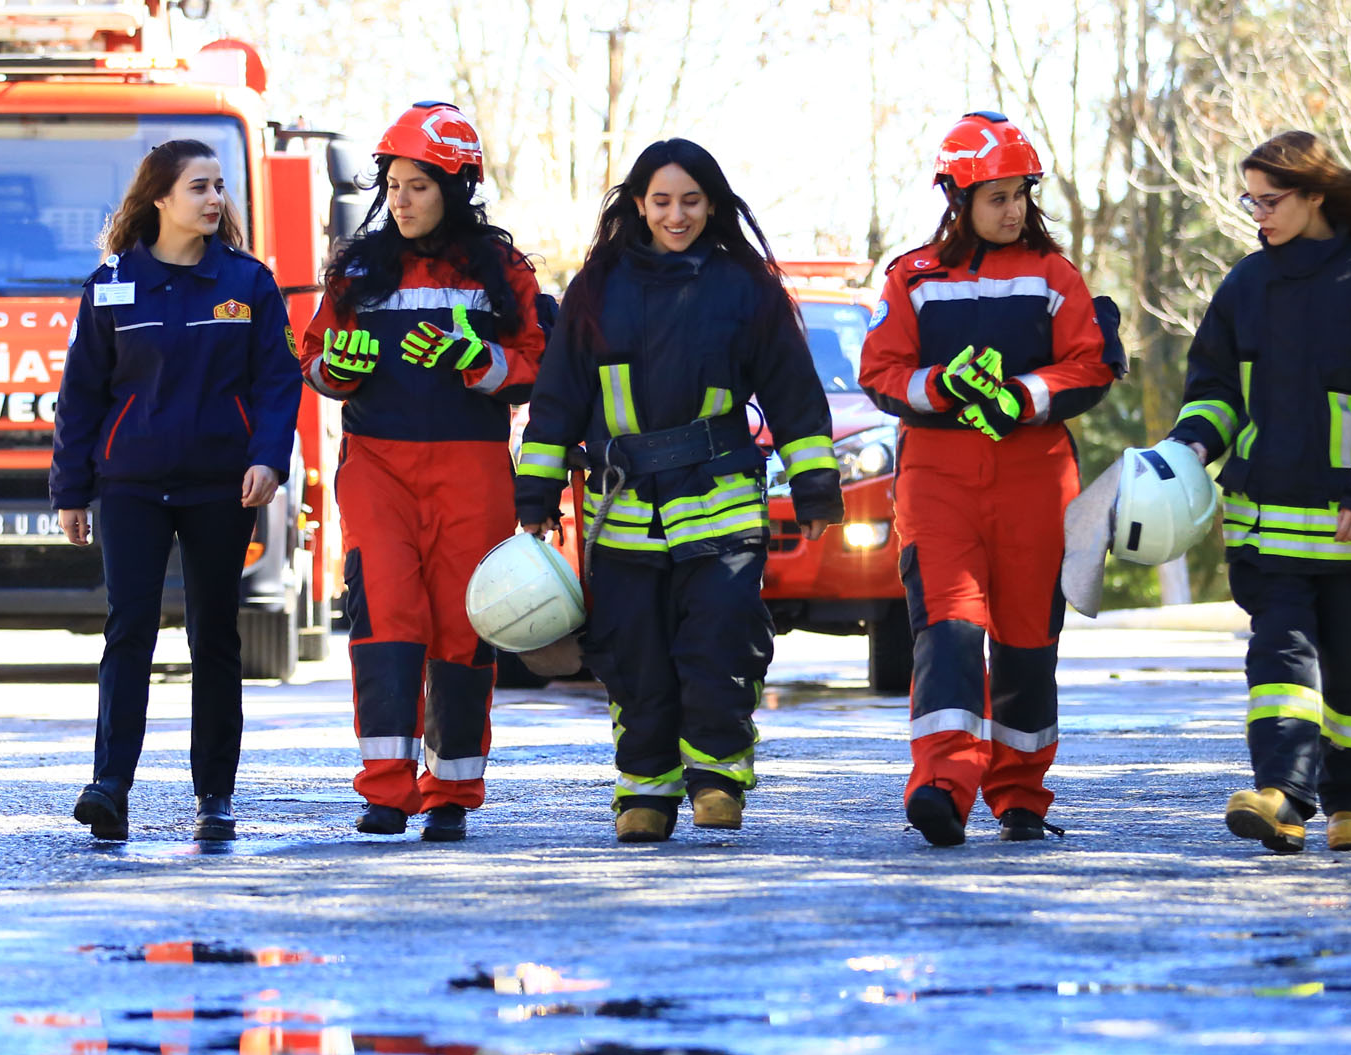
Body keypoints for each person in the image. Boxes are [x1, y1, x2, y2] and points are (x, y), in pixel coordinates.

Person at [513, 138, 841, 843]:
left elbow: (791, 389)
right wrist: (534, 499)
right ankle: (645, 791)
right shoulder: (596, 289)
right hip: (622, 509)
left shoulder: (744, 287)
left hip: (719, 499)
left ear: (712, 203)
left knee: (720, 640)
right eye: (661, 200)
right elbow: (557, 399)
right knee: (634, 653)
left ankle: (717, 780)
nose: (677, 214)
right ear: (637, 204)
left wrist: (815, 488)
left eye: (691, 200)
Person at [858, 112, 1116, 848]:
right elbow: (880, 371)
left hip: (1036, 480)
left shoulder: (1055, 275)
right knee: (949, 631)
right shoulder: (911, 276)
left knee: (1029, 641)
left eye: (1020, 195)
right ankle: (942, 785)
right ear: (957, 197)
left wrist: (1024, 394)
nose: (1012, 210)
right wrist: (942, 385)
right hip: (938, 483)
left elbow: (1091, 362)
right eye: (997, 196)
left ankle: (1020, 793)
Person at [1166, 130, 1351, 856]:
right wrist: (1195, 442)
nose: (1259, 214)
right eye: (1250, 199)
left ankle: (1349, 802)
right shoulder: (1247, 285)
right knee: (1279, 665)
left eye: (1271, 199)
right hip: (1268, 531)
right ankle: (1279, 793)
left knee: (1350, 677)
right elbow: (1214, 386)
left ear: (1316, 197)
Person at [302, 101, 546, 842]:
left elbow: (536, 364)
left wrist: (479, 362)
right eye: (394, 184)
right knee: (387, 621)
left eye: (418, 185)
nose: (400, 200)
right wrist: (334, 372)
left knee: (462, 630)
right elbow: (315, 355)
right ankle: (384, 789)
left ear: (457, 185)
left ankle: (451, 792)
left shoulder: (502, 270)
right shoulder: (358, 268)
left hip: (472, 468)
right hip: (378, 466)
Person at [50, 139, 302, 843]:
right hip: (130, 485)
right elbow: (82, 394)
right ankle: (110, 788)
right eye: (200, 186)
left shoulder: (248, 283)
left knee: (214, 637)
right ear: (160, 197)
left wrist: (268, 459)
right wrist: (71, 490)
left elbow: (278, 383)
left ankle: (214, 796)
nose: (216, 198)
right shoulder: (111, 284)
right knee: (127, 630)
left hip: (222, 486)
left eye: (219, 186)